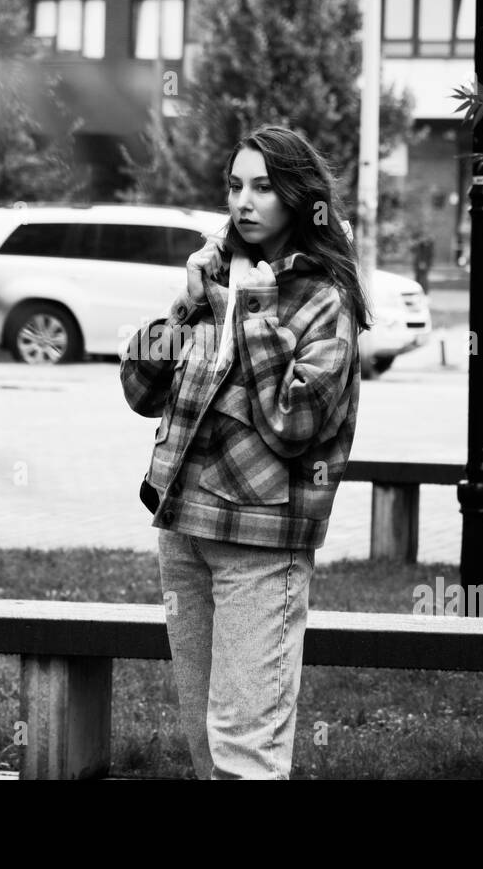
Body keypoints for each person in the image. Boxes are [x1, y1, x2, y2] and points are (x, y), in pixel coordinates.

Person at [119, 125, 370, 779]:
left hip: (260, 540)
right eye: (235, 185)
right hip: (185, 530)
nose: (244, 201)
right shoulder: (213, 276)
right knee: (205, 746)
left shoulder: (325, 299)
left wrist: (256, 315)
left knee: (245, 749)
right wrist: (182, 309)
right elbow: (141, 392)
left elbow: (294, 423)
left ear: (297, 196)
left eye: (263, 186)